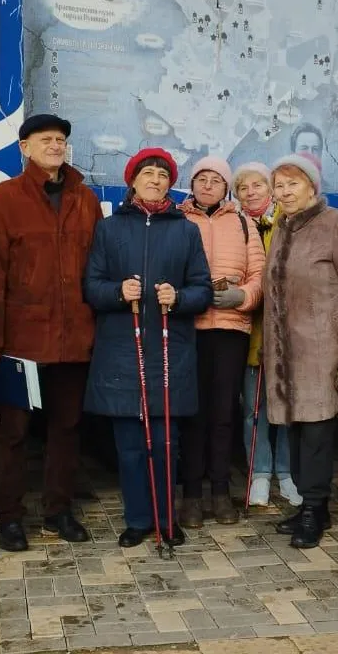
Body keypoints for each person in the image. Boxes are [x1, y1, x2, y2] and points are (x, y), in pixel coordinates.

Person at [0, 114, 102, 552]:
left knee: (67, 427)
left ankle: (58, 511)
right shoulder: (3, 198)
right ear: (24, 147)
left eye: (61, 139)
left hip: (74, 336)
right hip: (20, 338)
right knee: (13, 432)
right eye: (45, 139)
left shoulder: (85, 199)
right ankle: (9, 517)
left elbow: (97, 267)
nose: (55, 145)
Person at [84, 148, 213, 548]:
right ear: (133, 181)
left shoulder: (186, 230)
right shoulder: (108, 228)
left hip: (169, 351)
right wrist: (118, 292)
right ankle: (138, 520)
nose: (156, 180)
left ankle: (166, 519)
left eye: (163, 175)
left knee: (165, 445)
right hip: (122, 351)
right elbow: (91, 287)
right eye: (148, 174)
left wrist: (180, 297)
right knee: (129, 447)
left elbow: (203, 289)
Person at [263, 152, 338, 549]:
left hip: (323, 351)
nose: (284, 192)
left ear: (312, 186)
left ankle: (314, 508)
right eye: (278, 185)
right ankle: (312, 505)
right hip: (285, 352)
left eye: (292, 183)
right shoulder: (282, 227)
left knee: (316, 431)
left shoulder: (337, 224)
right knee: (296, 430)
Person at [177, 156, 265, 527]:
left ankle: (220, 491)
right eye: (202, 178)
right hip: (189, 328)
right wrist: (188, 297)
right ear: (192, 184)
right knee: (193, 413)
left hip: (231, 329)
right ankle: (191, 495)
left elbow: (260, 275)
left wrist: (242, 296)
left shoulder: (244, 223)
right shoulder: (178, 220)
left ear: (226, 187)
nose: (208, 185)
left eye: (216, 179)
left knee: (224, 412)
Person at [233, 162, 301, 508]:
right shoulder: (235, 226)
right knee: (253, 408)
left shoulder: (289, 223)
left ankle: (286, 473)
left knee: (286, 406)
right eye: (243, 188)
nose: (251, 193)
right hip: (249, 328)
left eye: (258, 185)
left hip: (287, 331)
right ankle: (259, 472)